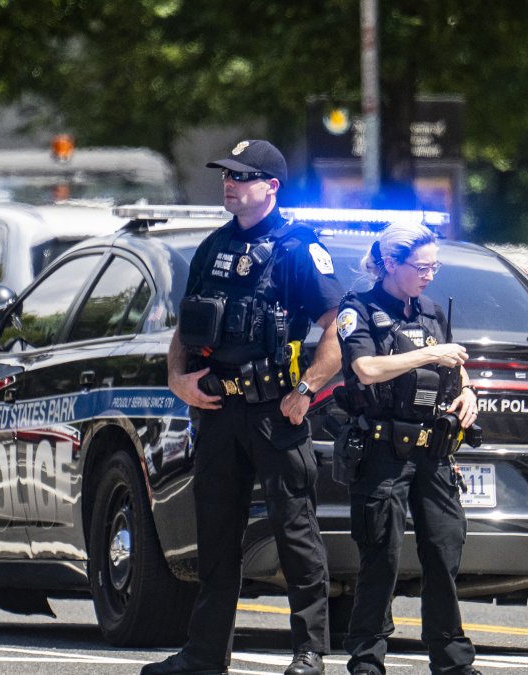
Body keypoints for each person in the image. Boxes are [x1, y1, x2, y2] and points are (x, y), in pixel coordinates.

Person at [144, 140, 343, 675]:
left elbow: (335, 336)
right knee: (215, 535)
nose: (230, 183)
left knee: (295, 531)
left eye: (243, 176)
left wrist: (305, 395)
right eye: (226, 175)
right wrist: (177, 381)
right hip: (217, 411)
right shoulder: (212, 248)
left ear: (271, 187)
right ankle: (205, 654)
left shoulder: (300, 249)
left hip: (275, 413)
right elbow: (186, 329)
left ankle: (309, 652)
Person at [334, 222, 481, 675]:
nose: (430, 274)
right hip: (383, 452)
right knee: (381, 555)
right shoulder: (357, 308)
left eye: (435, 265)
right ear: (390, 263)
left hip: (433, 451)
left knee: (444, 551)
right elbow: (366, 368)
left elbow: (455, 369)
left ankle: (452, 660)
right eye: (421, 266)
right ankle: (367, 659)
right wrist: (429, 355)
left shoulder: (432, 311)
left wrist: (468, 394)